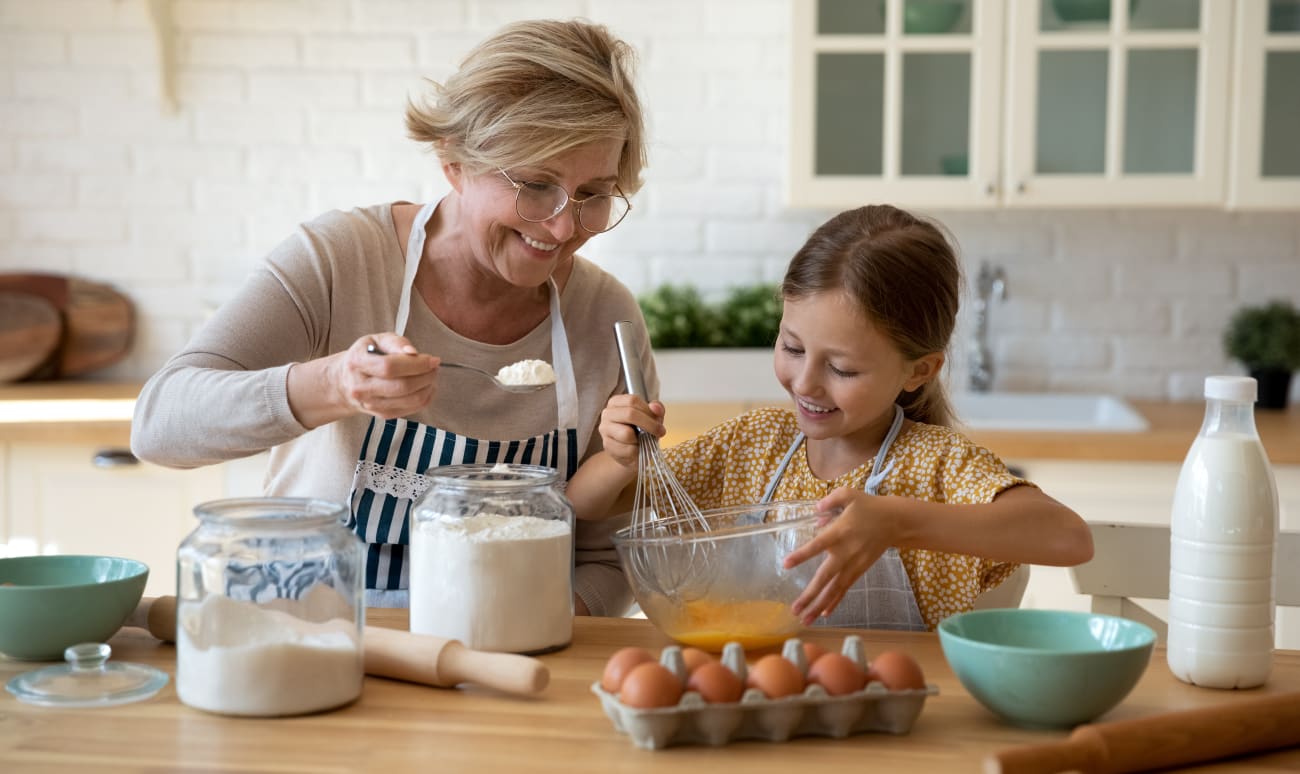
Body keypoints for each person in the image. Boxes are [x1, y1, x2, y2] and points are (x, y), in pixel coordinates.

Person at [131, 19, 657, 614]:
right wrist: (333, 384)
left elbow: (606, 558)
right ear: (454, 161)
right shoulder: (342, 259)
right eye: (536, 184)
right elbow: (159, 424)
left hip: (507, 670)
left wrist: (527, 634)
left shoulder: (606, 319)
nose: (563, 227)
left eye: (593, 193)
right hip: (309, 644)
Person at [567, 205, 1094, 631]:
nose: (805, 383)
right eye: (792, 348)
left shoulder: (934, 466)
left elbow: (1069, 537)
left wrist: (895, 522)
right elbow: (584, 505)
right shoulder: (750, 446)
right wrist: (619, 458)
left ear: (918, 371)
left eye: (841, 368)